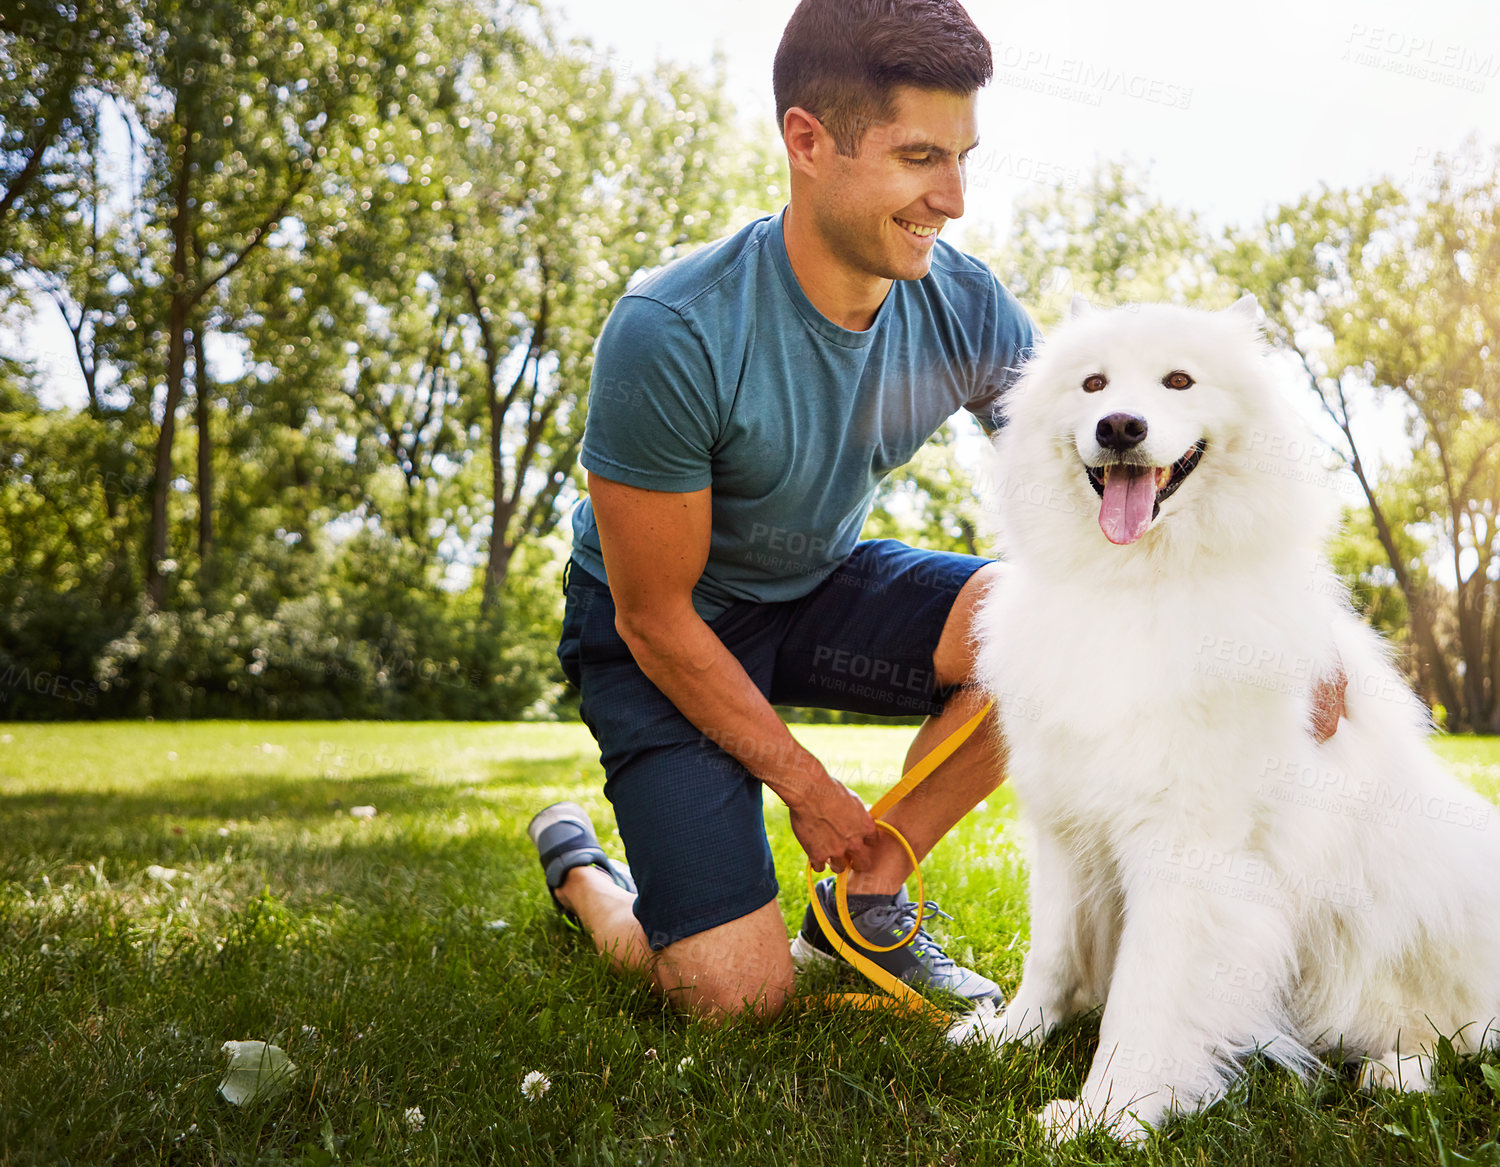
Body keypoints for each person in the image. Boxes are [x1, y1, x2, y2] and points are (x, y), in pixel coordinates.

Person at [529, 0, 1341, 1022]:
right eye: (919, 158)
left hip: (818, 585)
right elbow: (655, 616)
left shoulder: (960, 302)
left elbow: (1120, 482)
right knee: (732, 997)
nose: (952, 199)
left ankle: (865, 898)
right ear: (806, 141)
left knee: (1040, 625)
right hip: (656, 631)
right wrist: (811, 790)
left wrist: (1295, 643)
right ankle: (587, 882)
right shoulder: (672, 331)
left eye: (962, 157)